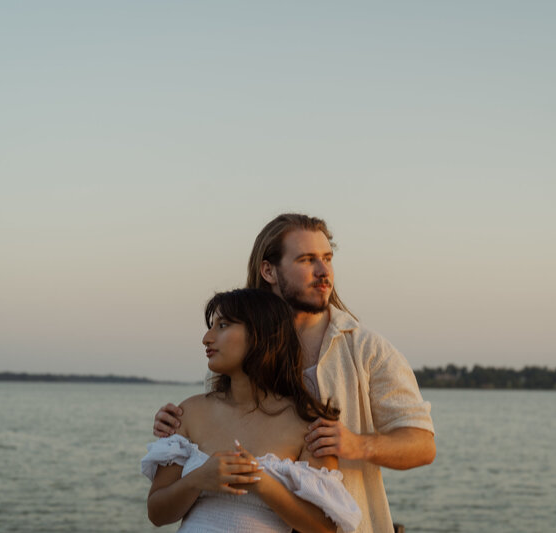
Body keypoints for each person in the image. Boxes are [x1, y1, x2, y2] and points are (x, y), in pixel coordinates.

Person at [154, 214, 436, 533]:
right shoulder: (238, 345)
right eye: (306, 259)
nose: (323, 271)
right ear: (269, 270)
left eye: (327, 258)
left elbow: (423, 445)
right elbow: (216, 416)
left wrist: (357, 444)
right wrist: (174, 424)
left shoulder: (367, 349)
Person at [142, 288, 361, 533]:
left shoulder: (307, 426)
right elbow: (157, 513)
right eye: (211, 326)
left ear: (262, 335)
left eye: (222, 325)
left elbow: (324, 529)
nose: (207, 338)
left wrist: (261, 483)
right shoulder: (189, 413)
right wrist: (198, 480)